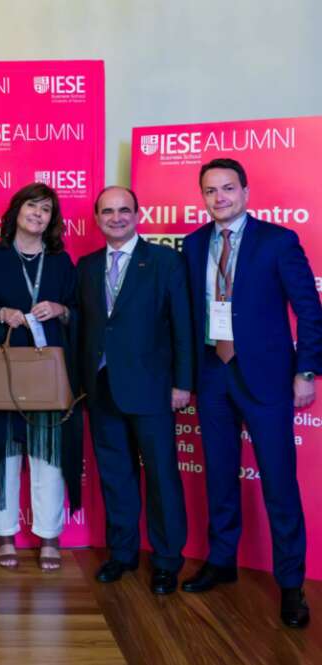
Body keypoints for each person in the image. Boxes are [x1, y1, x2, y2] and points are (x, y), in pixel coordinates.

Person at [181, 158, 322, 628]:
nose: (219, 198)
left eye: (227, 189)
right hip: (212, 374)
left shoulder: (278, 241)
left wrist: (306, 372)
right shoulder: (194, 244)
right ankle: (222, 561)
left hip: (265, 377)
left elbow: (309, 309)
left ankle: (290, 585)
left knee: (279, 484)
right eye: (210, 191)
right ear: (202, 196)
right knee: (219, 475)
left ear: (244, 191)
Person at [78, 186, 192, 594]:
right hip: (102, 388)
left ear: (138, 214)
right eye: (107, 211)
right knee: (115, 475)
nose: (116, 217)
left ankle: (166, 560)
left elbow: (182, 326)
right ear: (97, 219)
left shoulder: (165, 262)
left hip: (153, 389)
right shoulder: (87, 265)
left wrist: (183, 383)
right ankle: (122, 553)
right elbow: (86, 327)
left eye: (124, 210)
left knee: (162, 475)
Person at [0, 182, 82, 572]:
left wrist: (62, 309)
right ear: (16, 211)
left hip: (49, 376)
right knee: (3, 456)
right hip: (3, 376)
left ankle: (49, 536)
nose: (37, 214)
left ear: (52, 219)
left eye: (46, 210)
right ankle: (5, 534)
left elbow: (85, 314)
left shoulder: (63, 263)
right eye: (31, 206)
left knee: (48, 456)